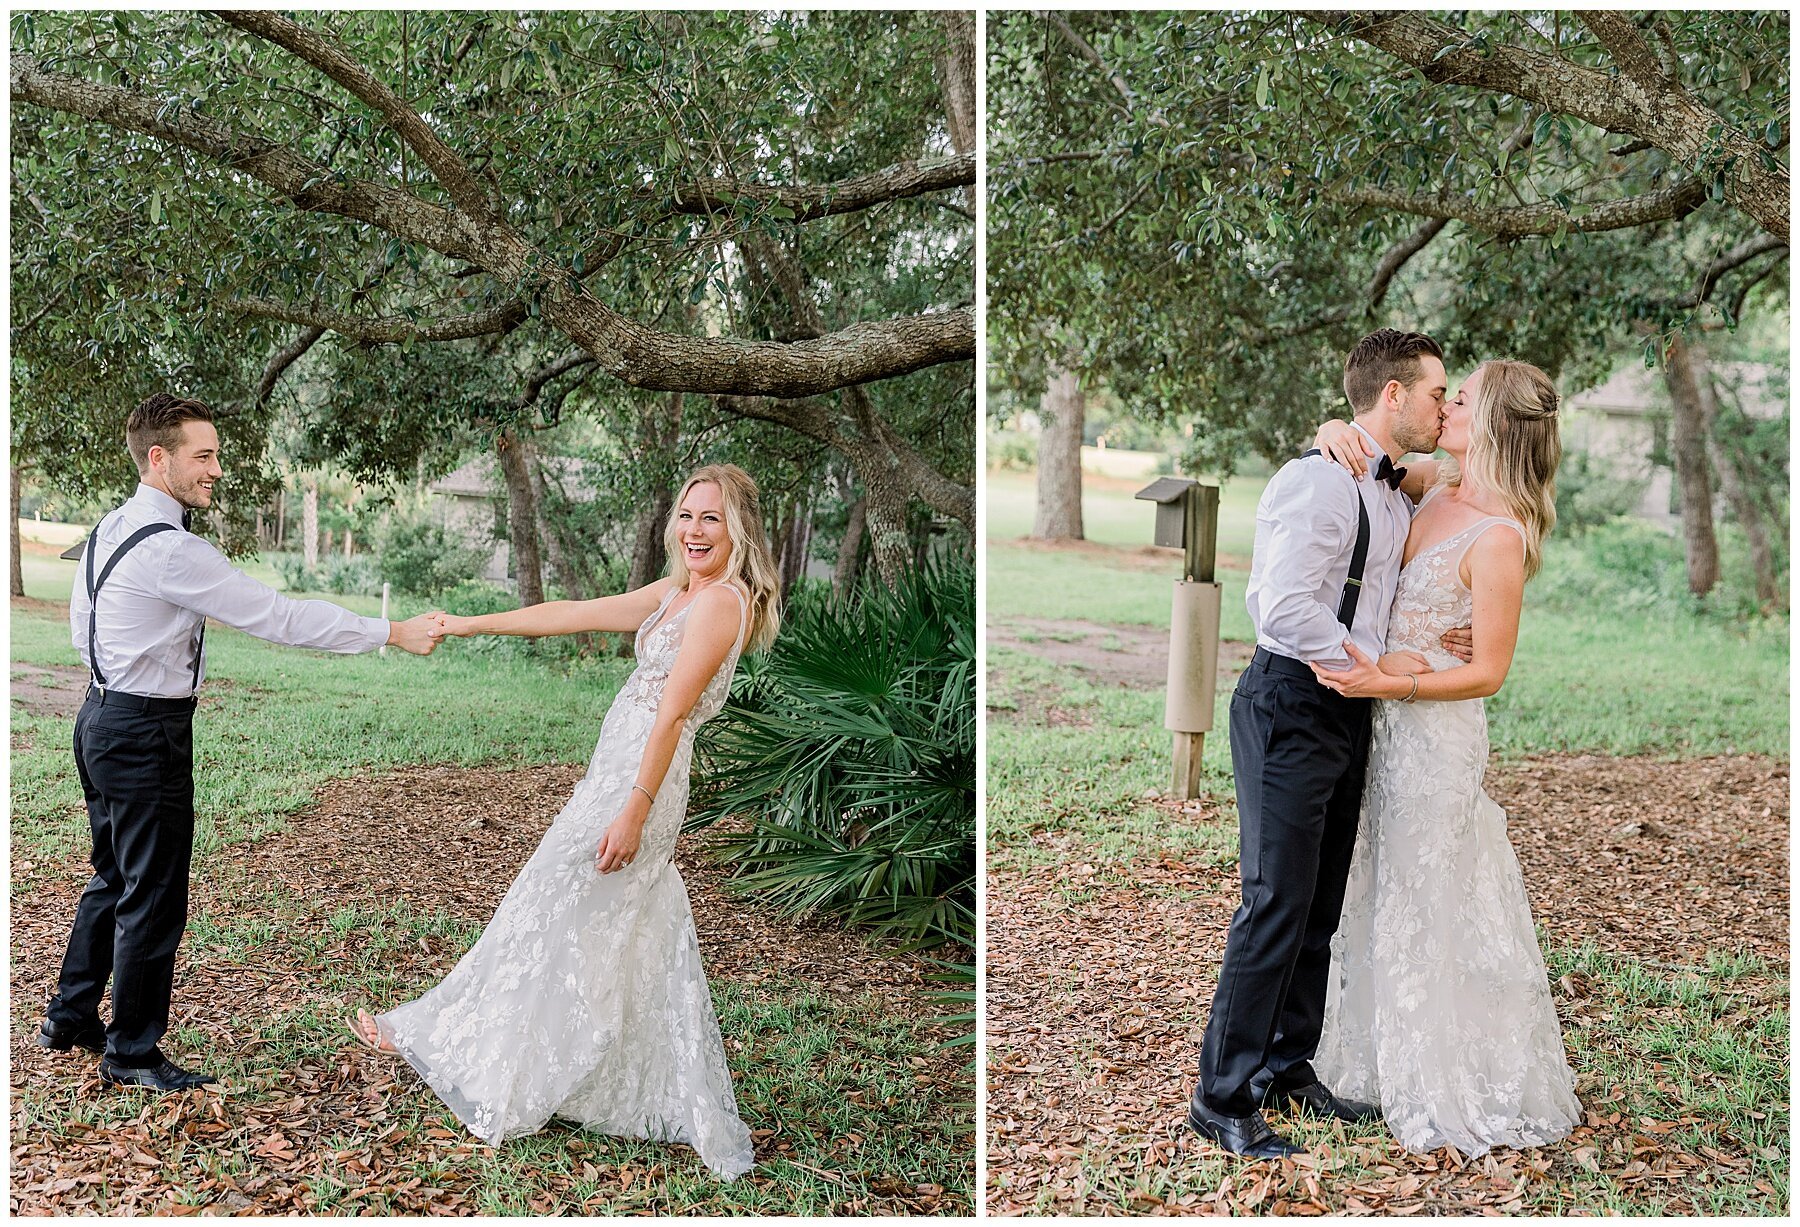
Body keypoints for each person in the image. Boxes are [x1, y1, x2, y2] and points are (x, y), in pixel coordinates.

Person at [348, 463, 781, 1181]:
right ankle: (553, 1060)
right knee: (577, 918)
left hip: (642, 781)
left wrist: (634, 809)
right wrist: (469, 622)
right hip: (615, 771)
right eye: (687, 516)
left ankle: (494, 1062)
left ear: (737, 529)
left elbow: (672, 711)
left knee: (551, 904)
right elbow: (571, 612)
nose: (694, 531)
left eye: (711, 518)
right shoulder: (679, 592)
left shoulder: (721, 604)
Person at [36, 393, 442, 1093]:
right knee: (153, 893)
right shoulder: (171, 549)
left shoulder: (107, 530)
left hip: (98, 716)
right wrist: (391, 632)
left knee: (113, 875)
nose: (217, 469)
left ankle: (71, 1015)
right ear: (159, 459)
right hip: (143, 733)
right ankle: (131, 1050)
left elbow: (84, 630)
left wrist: (121, 682)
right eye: (205, 455)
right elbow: (277, 616)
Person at [1188, 330, 1459, 1159]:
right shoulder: (1319, 480)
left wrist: (1370, 681)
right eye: (1437, 392)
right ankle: (1220, 1094)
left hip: (1350, 710)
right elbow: (1279, 608)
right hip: (1291, 703)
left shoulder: (1389, 484)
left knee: (1318, 904)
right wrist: (1375, 664)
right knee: (1273, 901)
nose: (1445, 407)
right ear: (1393, 396)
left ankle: (1287, 1063)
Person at [1306, 360, 1582, 1157]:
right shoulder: (1429, 483)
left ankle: (1440, 1077)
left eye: (1460, 399)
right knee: (1378, 882)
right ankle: (1368, 1057)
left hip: (1432, 740)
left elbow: (1489, 671)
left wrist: (1407, 676)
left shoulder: (1499, 538)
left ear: (1493, 421)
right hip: (1380, 727)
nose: (1445, 404)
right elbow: (1361, 446)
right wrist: (1331, 432)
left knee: (1431, 891)